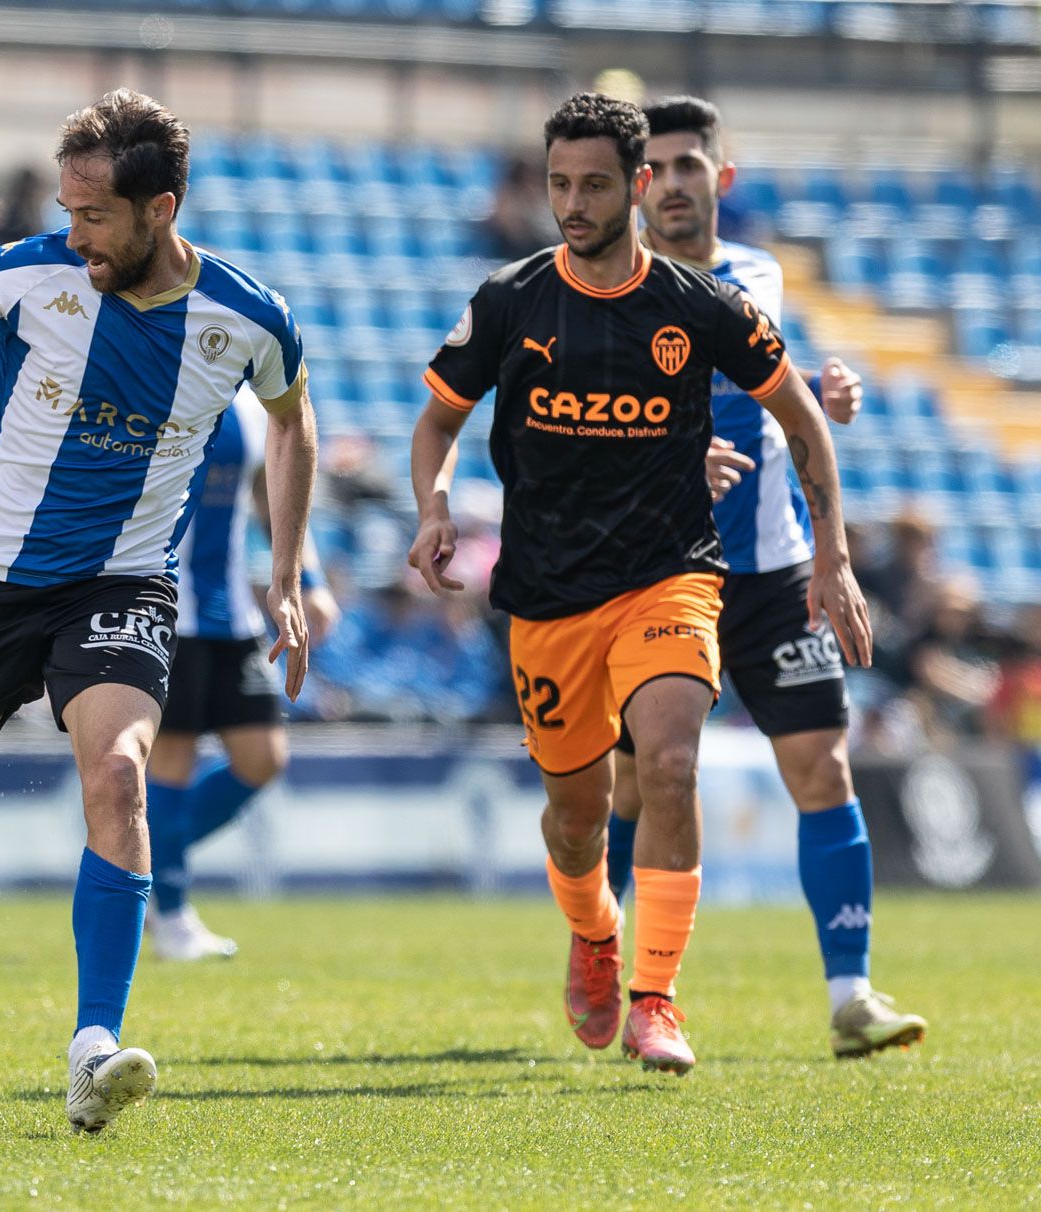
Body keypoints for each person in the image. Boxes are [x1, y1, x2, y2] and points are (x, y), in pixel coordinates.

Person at [0, 89, 316, 1132]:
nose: (73, 230)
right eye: (68, 208)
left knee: (119, 777)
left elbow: (293, 422)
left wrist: (288, 569)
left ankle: (94, 1047)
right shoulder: (29, 272)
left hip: (123, 585)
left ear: (161, 208)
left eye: (95, 215)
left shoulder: (249, 317)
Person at [407, 93, 871, 1075]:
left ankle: (657, 999)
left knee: (667, 764)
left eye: (594, 186)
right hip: (547, 596)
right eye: (559, 184)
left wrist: (830, 556)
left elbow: (801, 417)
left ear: (638, 186)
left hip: (674, 577)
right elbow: (437, 424)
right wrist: (436, 505)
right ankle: (593, 932)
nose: (572, 204)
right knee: (576, 821)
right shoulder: (510, 299)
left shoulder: (702, 305)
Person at [617, 95, 926, 1058]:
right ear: (637, 186)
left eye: (687, 166)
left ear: (721, 177)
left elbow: (777, 384)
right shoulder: (609, 288)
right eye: (655, 169)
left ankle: (851, 996)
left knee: (823, 767)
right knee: (634, 784)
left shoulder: (761, 275)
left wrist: (823, 392)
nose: (671, 184)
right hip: (658, 572)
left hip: (775, 566)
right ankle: (608, 962)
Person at [146, 386, 337, 961]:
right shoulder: (162, 387)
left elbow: (272, 502)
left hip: (232, 614)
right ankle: (171, 913)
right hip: (166, 606)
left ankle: (140, 863)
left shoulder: (254, 408)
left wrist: (311, 583)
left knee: (263, 757)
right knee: (172, 759)